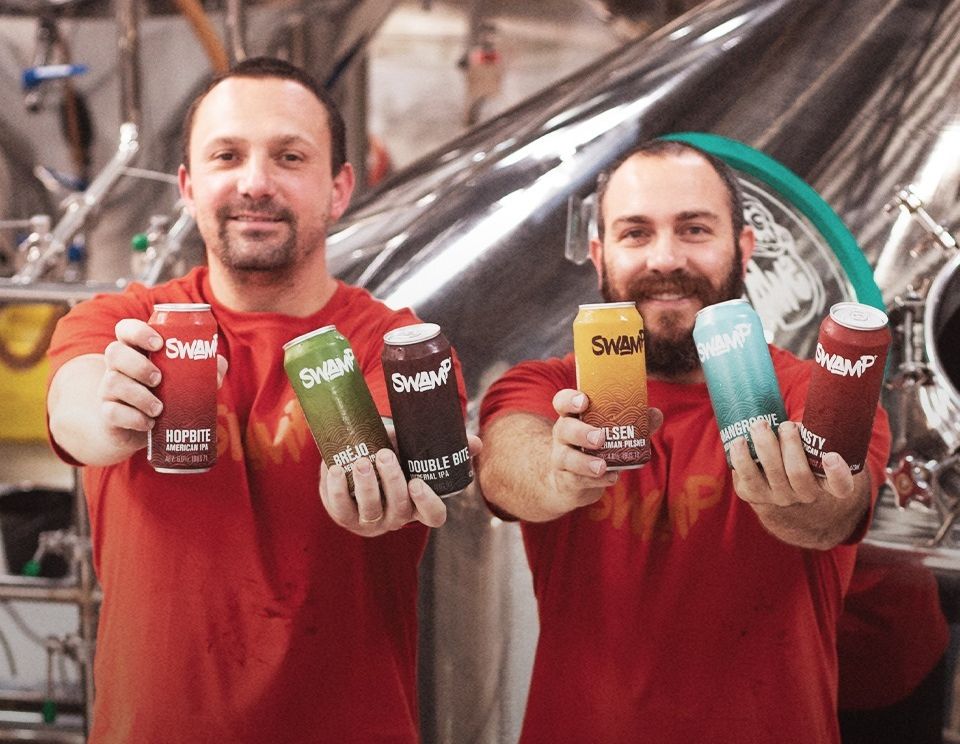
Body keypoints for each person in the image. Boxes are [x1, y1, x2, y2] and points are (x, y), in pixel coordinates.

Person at [45, 57, 476, 744]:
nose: (254, 183)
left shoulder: (397, 346)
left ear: (338, 189)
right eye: (227, 156)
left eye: (289, 157)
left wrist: (379, 481)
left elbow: (394, 439)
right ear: (188, 187)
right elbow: (75, 407)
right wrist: (114, 413)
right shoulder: (121, 323)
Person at [477, 139, 892, 743]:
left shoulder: (813, 392)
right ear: (599, 255)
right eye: (636, 233)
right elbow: (506, 461)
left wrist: (802, 497)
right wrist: (556, 470)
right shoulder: (548, 387)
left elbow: (834, 511)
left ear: (743, 249)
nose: (666, 258)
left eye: (694, 229)